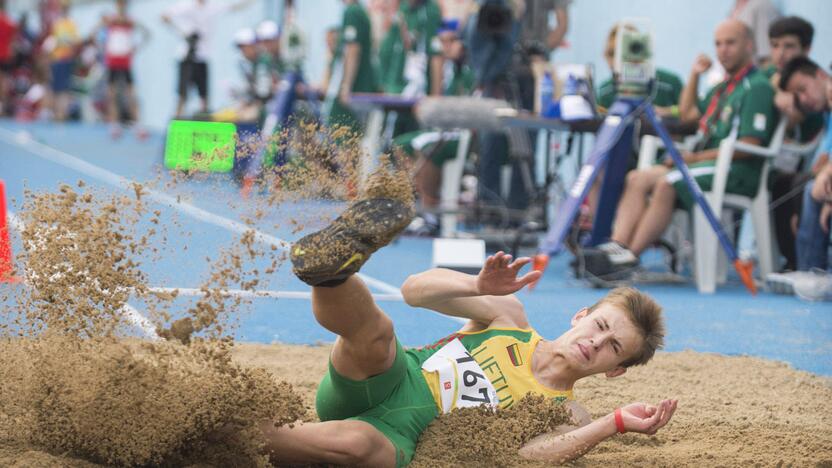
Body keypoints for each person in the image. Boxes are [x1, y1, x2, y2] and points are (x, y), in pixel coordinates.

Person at [259, 178, 677, 466]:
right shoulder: (509, 317)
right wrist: (475, 285)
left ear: (616, 370)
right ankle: (329, 272)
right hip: (389, 378)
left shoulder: (568, 413)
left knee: (358, 443)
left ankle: (234, 439)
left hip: (406, 438)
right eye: (601, 327)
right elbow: (413, 290)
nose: (596, 343)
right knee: (379, 336)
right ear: (581, 315)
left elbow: (530, 457)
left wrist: (613, 424)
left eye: (614, 349)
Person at [589, 19, 777, 278]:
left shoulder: (756, 87)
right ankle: (617, 248)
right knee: (637, 177)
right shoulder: (724, 87)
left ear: (749, 45)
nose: (722, 50)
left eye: (730, 43)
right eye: (718, 44)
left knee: (668, 182)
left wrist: (693, 157)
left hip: (738, 171)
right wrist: (695, 74)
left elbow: (749, 145)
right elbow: (688, 114)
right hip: (705, 164)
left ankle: (629, 259)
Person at [394, 18, 475, 235]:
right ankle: (423, 205)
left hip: (464, 135)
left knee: (424, 144)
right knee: (400, 144)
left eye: (451, 41)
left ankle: (431, 213)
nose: (445, 47)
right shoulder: (450, 70)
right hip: (445, 131)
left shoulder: (471, 70)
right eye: (442, 42)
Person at [762, 16, 825, 272]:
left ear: (806, 50)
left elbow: (794, 115)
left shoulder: (815, 84)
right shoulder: (767, 78)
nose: (780, 54)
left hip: (800, 162)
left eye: (788, 46)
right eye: (775, 46)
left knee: (790, 184)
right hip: (768, 161)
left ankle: (802, 266)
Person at [769, 57, 832, 299]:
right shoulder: (826, 114)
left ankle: (811, 271)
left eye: (803, 89)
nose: (803, 99)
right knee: (786, 184)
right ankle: (799, 266)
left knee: (809, 189)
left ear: (820, 75)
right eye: (797, 95)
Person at [161, 0, 255, 118]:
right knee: (182, 96)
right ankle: (174, 126)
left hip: (203, 57)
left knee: (204, 97)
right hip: (186, 57)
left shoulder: (213, 6)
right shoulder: (186, 5)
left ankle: (203, 127)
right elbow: (164, 16)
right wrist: (183, 33)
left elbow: (233, 7)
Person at [596, 24, 683, 116]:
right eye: (612, 54)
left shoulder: (669, 83)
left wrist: (666, 111)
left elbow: (689, 112)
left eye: (625, 52)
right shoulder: (605, 91)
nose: (616, 62)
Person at [96, 0, 150, 139]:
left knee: (130, 95)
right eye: (120, 4)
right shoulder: (110, 20)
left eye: (124, 4)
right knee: (112, 94)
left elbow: (147, 33)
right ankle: (114, 126)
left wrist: (136, 48)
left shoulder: (129, 21)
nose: (122, 6)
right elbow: (95, 33)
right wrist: (103, 48)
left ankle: (138, 126)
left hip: (126, 64)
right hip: (112, 63)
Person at [323, 0, 378, 134]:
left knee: (343, 140)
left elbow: (353, 50)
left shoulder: (352, 12)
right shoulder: (358, 11)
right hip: (358, 88)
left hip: (354, 89)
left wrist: (346, 86)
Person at [43, 0, 79, 121]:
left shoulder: (70, 24)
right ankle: (56, 114)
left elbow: (74, 43)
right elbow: (53, 41)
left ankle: (60, 114)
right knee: (56, 88)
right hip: (57, 59)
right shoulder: (58, 23)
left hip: (64, 59)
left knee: (62, 89)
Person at [729, 0, 780, 66]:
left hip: (755, 71)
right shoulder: (735, 7)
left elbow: (766, 54)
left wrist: (762, 75)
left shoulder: (762, 5)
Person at [0, 0, 17, 116]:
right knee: (4, 81)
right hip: (5, 55)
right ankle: (3, 106)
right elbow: (13, 42)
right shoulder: (10, 22)